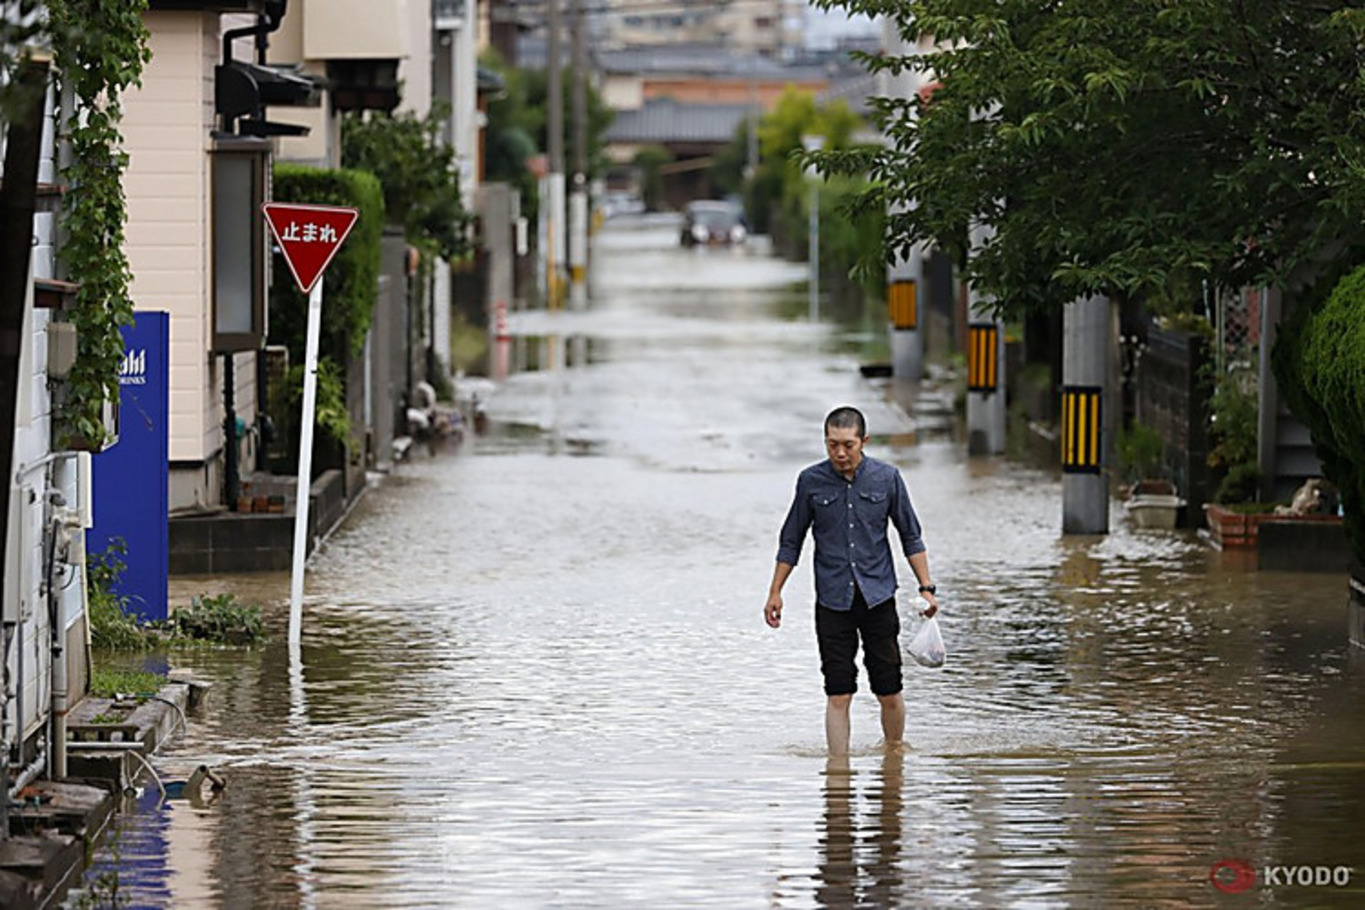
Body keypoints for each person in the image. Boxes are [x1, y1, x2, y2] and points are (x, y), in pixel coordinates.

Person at [765, 406, 939, 755]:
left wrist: (927, 588)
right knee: (838, 690)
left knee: (888, 688)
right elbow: (791, 540)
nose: (840, 453)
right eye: (832, 445)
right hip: (832, 601)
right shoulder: (810, 481)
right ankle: (838, 772)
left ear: (864, 441)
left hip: (878, 598)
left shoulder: (887, 478)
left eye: (848, 445)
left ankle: (894, 758)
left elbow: (911, 536)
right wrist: (775, 591)